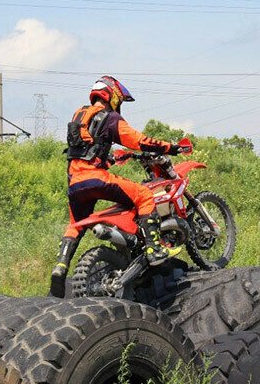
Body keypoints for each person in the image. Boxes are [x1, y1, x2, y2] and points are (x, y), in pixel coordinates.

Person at [49, 76, 184, 298]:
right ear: (112, 96)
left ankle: (61, 266)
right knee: (143, 195)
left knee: (76, 224)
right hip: (95, 178)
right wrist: (170, 147)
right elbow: (137, 140)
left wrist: (110, 158)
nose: (118, 106)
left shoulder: (79, 115)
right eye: (118, 101)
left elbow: (86, 150)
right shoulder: (109, 117)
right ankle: (154, 250)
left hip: (74, 181)